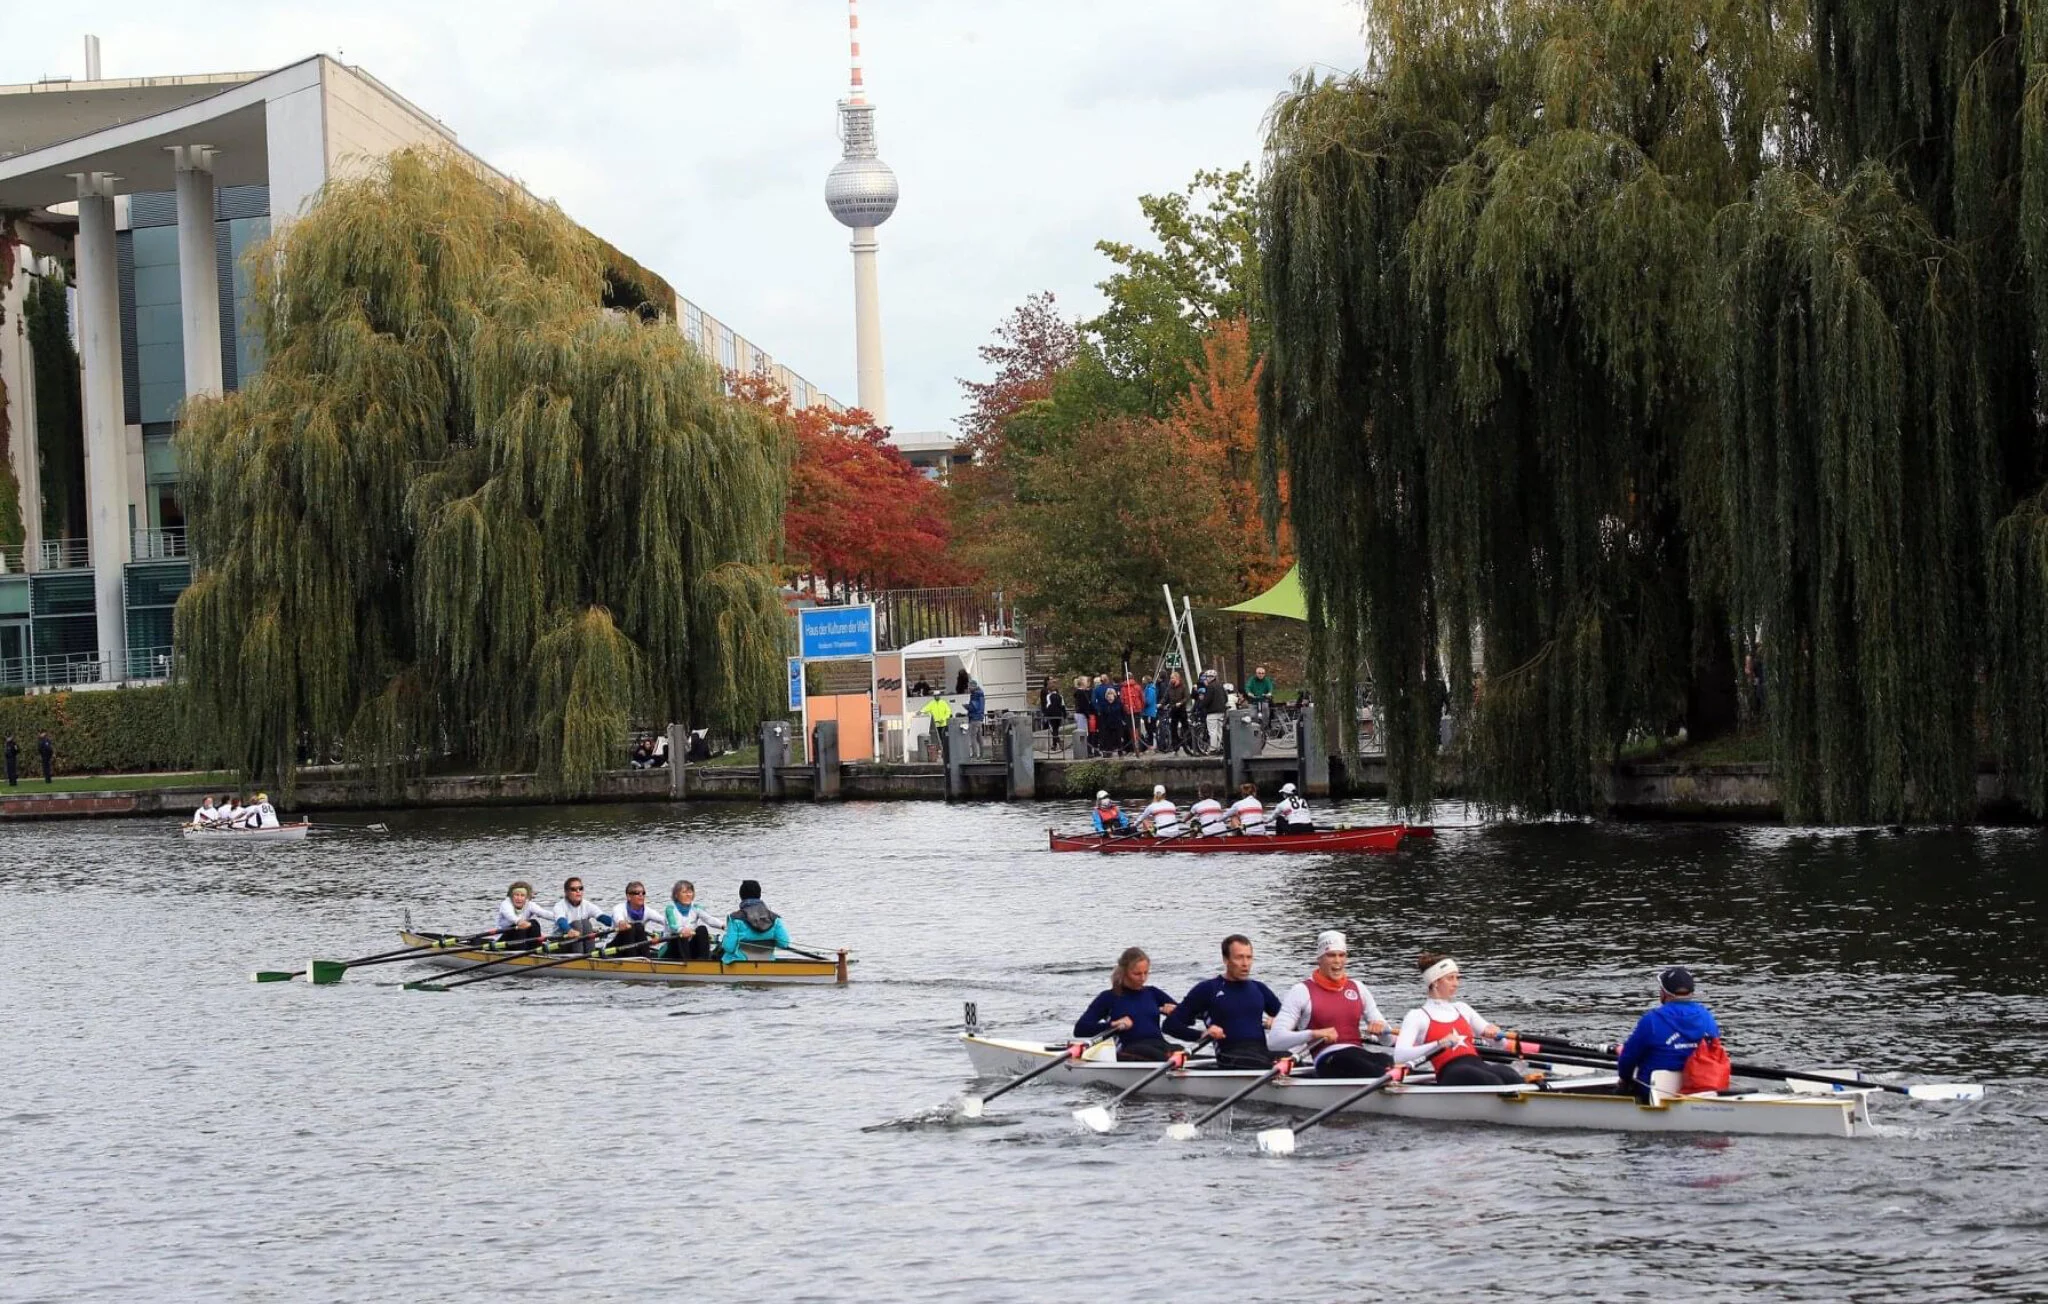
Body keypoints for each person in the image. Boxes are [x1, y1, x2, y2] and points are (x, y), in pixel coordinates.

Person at [1392, 953, 1530, 1086]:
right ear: (1435, 982)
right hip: (1450, 1072)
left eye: (1457, 978)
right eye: (1450, 978)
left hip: (1477, 1065)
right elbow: (1400, 1056)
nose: (1456, 983)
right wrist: (1438, 1044)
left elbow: (1500, 1045)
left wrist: (1495, 1035)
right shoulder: (1417, 1016)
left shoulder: (1462, 1009)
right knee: (1490, 1080)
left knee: (1508, 1074)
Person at [1269, 931, 1393, 1078]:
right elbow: (1274, 1041)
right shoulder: (1301, 991)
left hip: (1358, 1054)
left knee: (1386, 1059)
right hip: (1328, 1059)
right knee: (1359, 1063)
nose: (1337, 961)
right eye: (1331, 955)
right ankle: (1388, 1081)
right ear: (1319, 959)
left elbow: (1388, 1041)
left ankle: (1391, 1080)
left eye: (1341, 955)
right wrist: (1314, 1034)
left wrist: (1382, 1029)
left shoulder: (1358, 988)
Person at [1165, 934, 1283, 1070]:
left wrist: (1279, 1022)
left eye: (1249, 957)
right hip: (1229, 1056)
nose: (1245, 964)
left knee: (1288, 1057)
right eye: (1239, 957)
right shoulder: (1208, 989)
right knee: (1270, 1064)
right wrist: (1201, 1034)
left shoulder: (1259, 988)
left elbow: (1291, 1021)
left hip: (1260, 1053)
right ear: (1226, 960)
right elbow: (1170, 1025)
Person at [1615, 966, 1723, 1099]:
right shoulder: (1707, 1017)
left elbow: (1628, 1059)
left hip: (1655, 1091)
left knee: (1625, 1079)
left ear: (1664, 993)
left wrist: (1624, 1078)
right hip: (1699, 1088)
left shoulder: (1652, 1020)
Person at [1074, 946, 1181, 1062]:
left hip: (1159, 1044)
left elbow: (1186, 1016)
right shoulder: (1109, 997)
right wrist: (1113, 1024)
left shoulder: (1153, 993)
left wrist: (1175, 1012)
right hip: (1129, 1049)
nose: (1143, 978)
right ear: (1124, 972)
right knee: (1161, 1057)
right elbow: (1080, 1029)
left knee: (1181, 1051)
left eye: (1146, 973)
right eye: (1137, 974)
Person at [722, 879, 792, 963]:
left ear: (741, 896)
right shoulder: (774, 918)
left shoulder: (735, 919)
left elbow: (729, 948)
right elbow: (784, 944)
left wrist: (724, 939)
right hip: (767, 963)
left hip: (740, 963)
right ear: (759, 895)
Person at [662, 880, 718, 960]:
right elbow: (673, 925)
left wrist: (724, 926)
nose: (688, 895)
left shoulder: (695, 907)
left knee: (702, 929)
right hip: (674, 947)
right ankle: (688, 963)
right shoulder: (670, 909)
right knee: (682, 933)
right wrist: (682, 930)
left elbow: (709, 919)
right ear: (676, 895)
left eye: (690, 892)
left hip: (690, 945)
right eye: (684, 892)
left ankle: (703, 960)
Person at [607, 880, 663, 956]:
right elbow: (618, 917)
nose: (641, 895)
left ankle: (646, 958)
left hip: (633, 946)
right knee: (631, 928)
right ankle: (634, 959)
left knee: (639, 926)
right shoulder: (619, 908)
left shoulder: (647, 911)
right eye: (637, 893)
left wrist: (660, 936)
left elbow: (664, 921)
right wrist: (621, 922)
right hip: (614, 948)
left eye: (643, 893)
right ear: (628, 897)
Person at [552, 876, 606, 954]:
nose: (578, 891)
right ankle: (579, 956)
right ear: (566, 892)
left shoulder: (587, 905)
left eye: (580, 888)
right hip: (561, 942)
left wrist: (617, 922)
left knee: (586, 923)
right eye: (573, 889)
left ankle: (590, 954)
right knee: (576, 924)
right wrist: (569, 930)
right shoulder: (559, 906)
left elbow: (601, 917)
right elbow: (561, 921)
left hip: (577, 940)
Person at [492, 880, 546, 949]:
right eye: (516, 895)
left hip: (520, 938)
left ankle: (535, 949)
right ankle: (521, 951)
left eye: (522, 895)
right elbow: (510, 915)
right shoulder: (506, 904)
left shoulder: (530, 904)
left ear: (526, 897)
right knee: (520, 926)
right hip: (503, 941)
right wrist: (519, 921)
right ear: (511, 896)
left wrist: (558, 918)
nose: (519, 898)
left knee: (534, 923)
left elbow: (544, 913)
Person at [919, 693, 955, 758]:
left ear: (939, 696)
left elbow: (948, 712)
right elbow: (926, 708)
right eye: (935, 696)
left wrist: (943, 719)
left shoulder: (943, 703)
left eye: (937, 695)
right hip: (936, 725)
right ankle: (939, 751)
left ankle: (944, 752)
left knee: (943, 738)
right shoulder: (932, 703)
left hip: (943, 724)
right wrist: (921, 711)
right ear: (934, 696)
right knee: (937, 739)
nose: (936, 696)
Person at [1119, 673, 1144, 753]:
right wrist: (1141, 707)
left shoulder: (1123, 688)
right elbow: (1142, 698)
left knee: (1131, 730)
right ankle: (1139, 748)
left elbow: (1122, 700)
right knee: (1137, 729)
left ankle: (1134, 748)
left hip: (1128, 711)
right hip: (1137, 710)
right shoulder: (1138, 687)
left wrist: (1125, 708)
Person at [1040, 682, 1066, 751]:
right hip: (1059, 715)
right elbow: (1063, 706)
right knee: (1056, 729)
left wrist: (1046, 714)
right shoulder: (1060, 696)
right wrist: (1064, 715)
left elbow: (1048, 706)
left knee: (1053, 729)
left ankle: (1058, 742)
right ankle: (1054, 745)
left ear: (1049, 690)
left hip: (1051, 715)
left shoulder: (1048, 696)